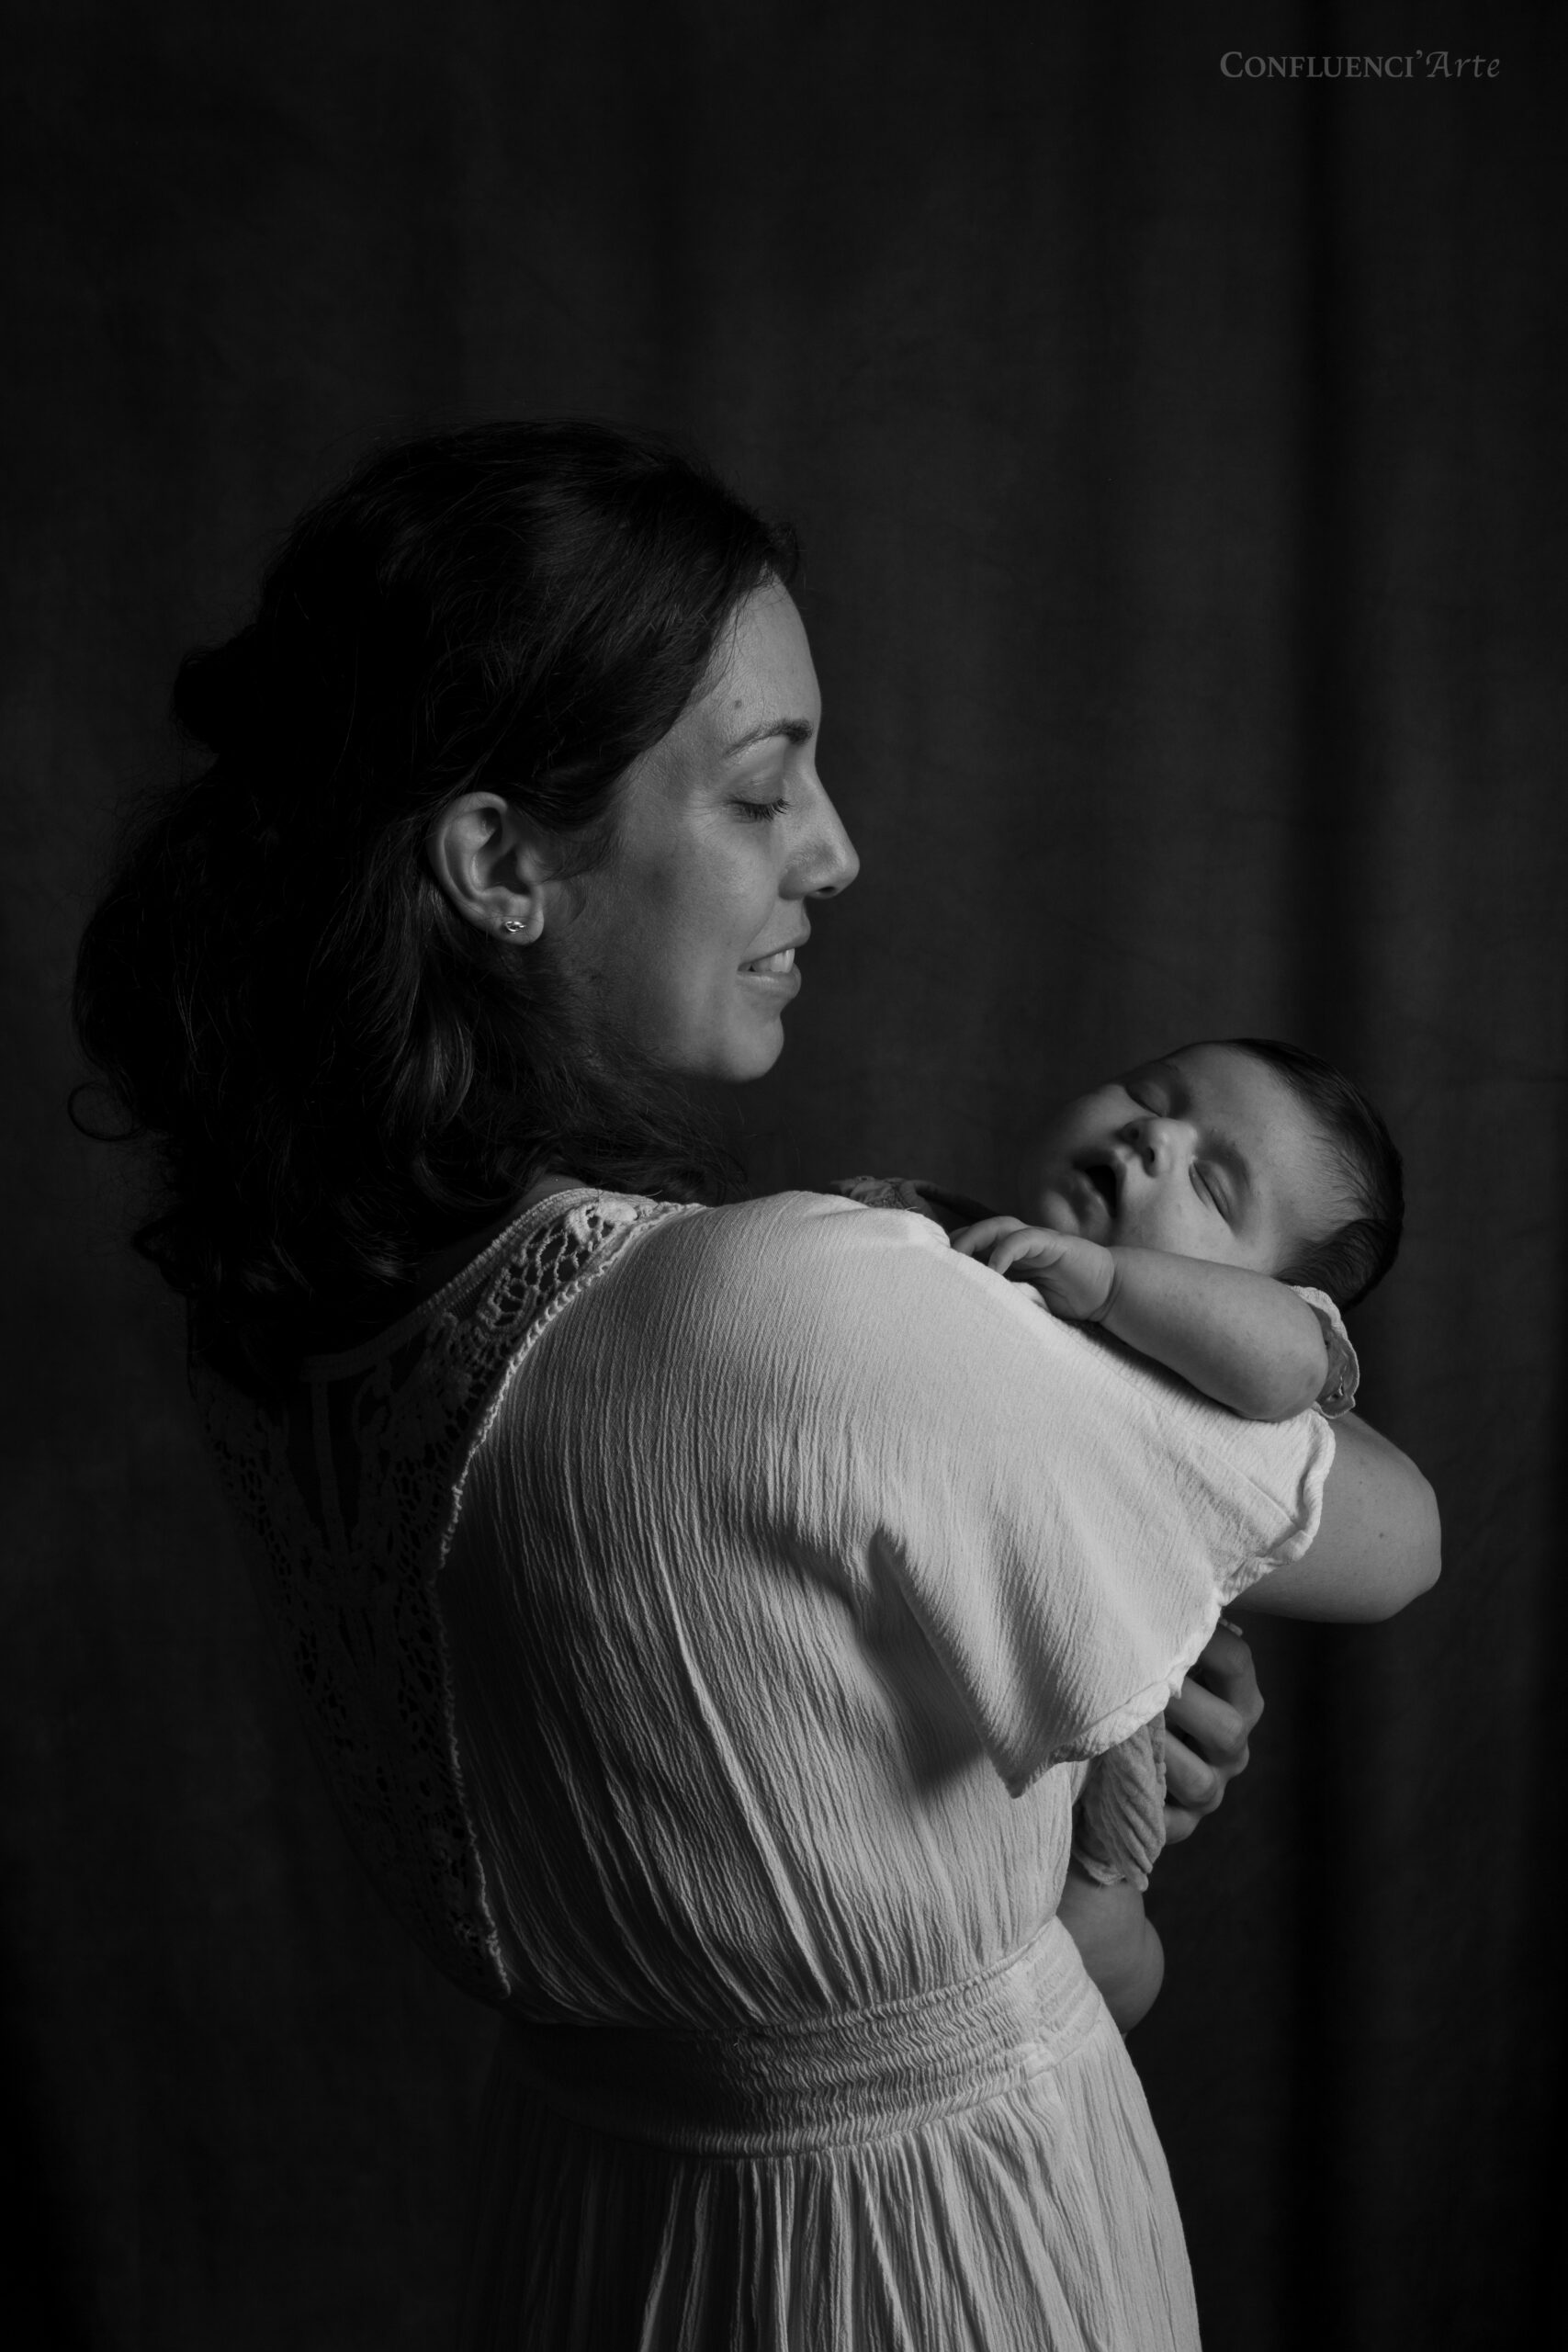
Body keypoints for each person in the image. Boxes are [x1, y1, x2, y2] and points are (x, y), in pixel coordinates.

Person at [72, 422, 1440, 2350]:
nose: (837, 851)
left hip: (595, 2238)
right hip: (931, 2267)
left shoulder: (290, 1352)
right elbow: (1382, 1532)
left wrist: (1033, 1801)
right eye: (757, 789)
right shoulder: (789, 1310)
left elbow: (770, 1901)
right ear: (497, 863)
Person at [839, 1035, 1407, 2027]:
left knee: (1107, 1796)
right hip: (884, 1681)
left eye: (1215, 1184)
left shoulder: (1257, 1338)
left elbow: (1286, 1368)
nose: (1155, 1132)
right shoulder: (935, 1221)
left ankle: (1108, 1918)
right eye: (1153, 1093)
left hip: (1095, 1661)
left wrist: (1110, 1287)